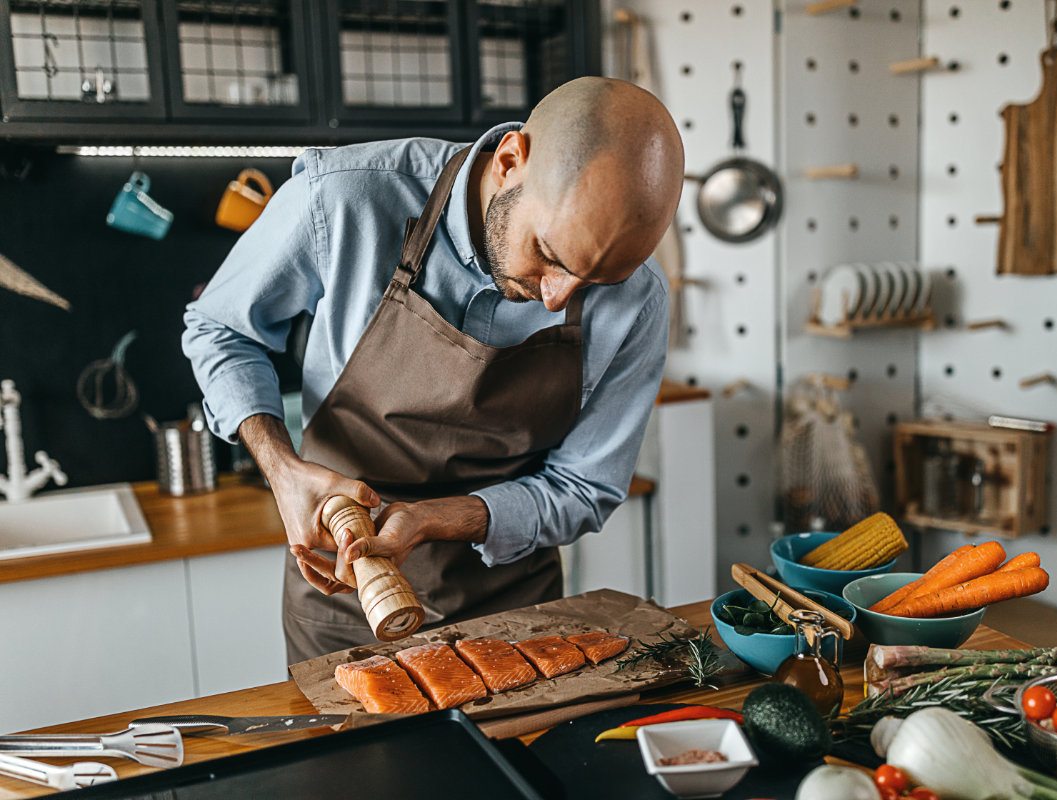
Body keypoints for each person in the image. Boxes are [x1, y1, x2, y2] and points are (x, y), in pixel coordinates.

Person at [182, 76, 686, 664]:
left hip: (516, 609)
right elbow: (220, 328)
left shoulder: (642, 301)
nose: (557, 298)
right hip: (344, 598)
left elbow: (584, 487)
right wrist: (282, 469)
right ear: (509, 161)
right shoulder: (344, 199)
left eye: (599, 282)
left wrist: (431, 520)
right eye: (549, 254)